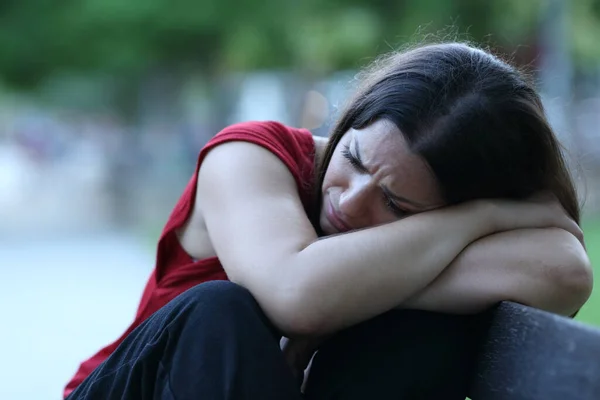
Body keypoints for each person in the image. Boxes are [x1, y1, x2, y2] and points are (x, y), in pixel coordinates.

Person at [64, 42, 592, 400]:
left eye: (397, 205)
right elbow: (296, 294)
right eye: (354, 159)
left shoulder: (437, 229)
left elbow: (565, 273)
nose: (350, 201)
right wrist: (484, 217)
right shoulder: (252, 156)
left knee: (413, 334)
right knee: (220, 310)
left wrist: (365, 294)